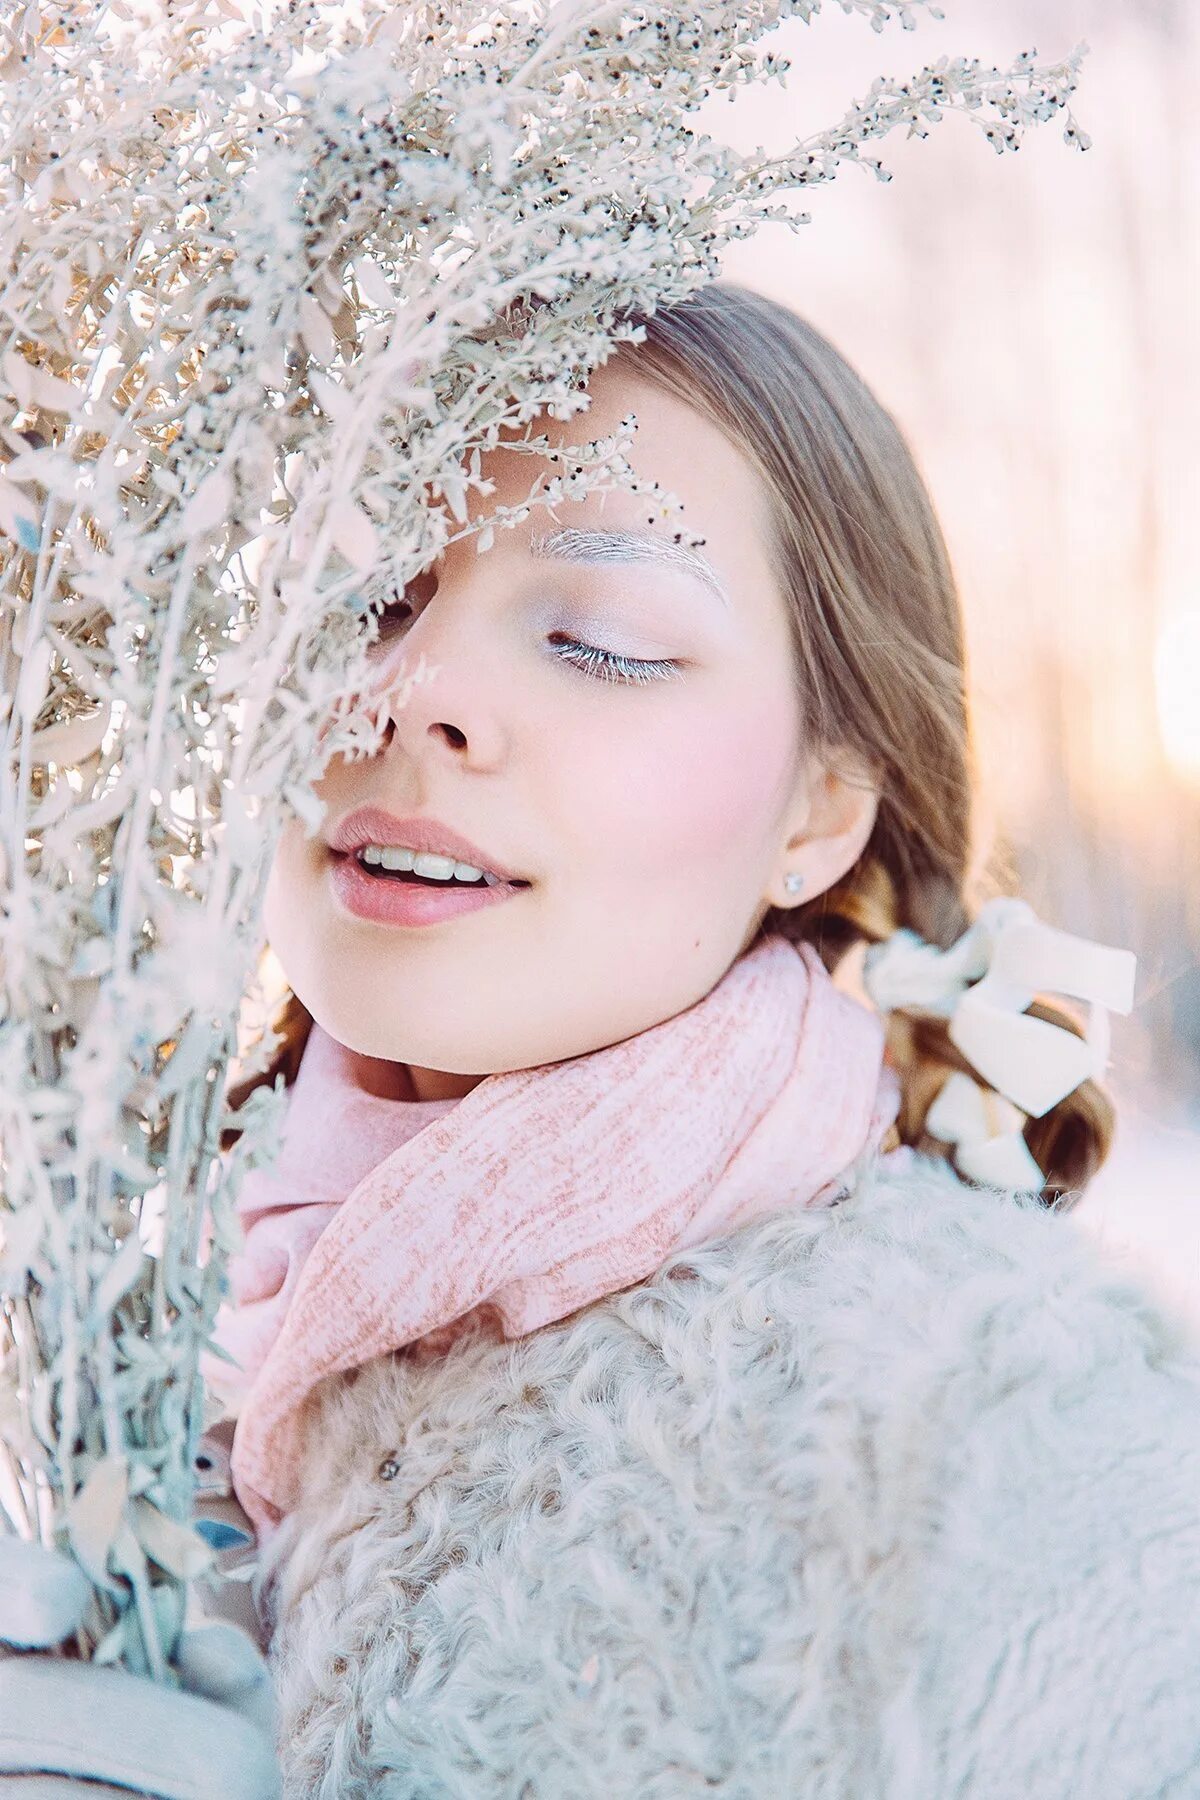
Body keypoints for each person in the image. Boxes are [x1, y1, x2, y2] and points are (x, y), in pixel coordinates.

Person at [3, 283, 1197, 1797]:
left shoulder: (1006, 1442)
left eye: (603, 643)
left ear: (822, 812)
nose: (412, 693)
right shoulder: (109, 1355)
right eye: (369, 598)